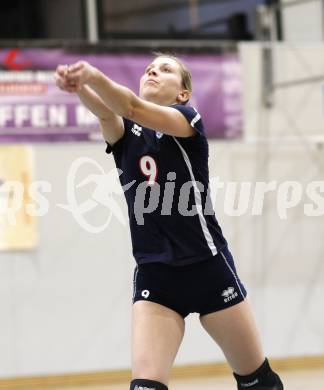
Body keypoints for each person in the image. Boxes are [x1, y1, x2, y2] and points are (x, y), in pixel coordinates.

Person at [55, 53, 284, 390]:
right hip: (157, 275)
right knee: (145, 387)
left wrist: (92, 75)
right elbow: (108, 111)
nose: (153, 70)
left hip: (206, 266)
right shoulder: (125, 133)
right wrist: (79, 87)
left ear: (182, 94)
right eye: (150, 68)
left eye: (165, 69)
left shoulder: (187, 121)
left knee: (259, 383)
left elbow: (130, 106)